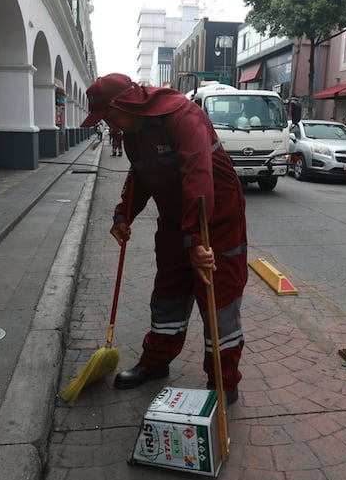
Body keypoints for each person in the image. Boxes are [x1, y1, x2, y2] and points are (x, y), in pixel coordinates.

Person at [80, 73, 247, 406]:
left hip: (215, 220)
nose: (110, 125)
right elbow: (141, 175)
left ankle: (223, 381)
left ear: (124, 104)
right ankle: (155, 362)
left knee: (219, 300)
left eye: (109, 116)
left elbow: (198, 176)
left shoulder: (183, 116)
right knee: (168, 292)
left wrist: (198, 241)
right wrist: (122, 216)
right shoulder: (132, 134)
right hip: (174, 220)